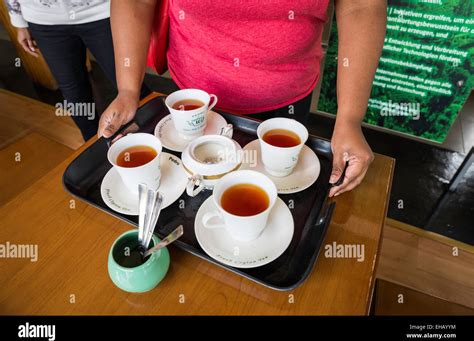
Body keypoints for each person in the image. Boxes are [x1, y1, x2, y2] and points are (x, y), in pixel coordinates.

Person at [99, 0, 387, 197]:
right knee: (191, 193)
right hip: (192, 100)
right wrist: (127, 91)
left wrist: (350, 118)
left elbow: (361, 5)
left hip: (285, 103)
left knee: (270, 192)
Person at [5, 0, 116, 141]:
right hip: (43, 19)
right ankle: (95, 145)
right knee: (74, 94)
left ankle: (148, 139)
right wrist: (19, 21)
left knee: (128, 82)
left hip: (103, 10)